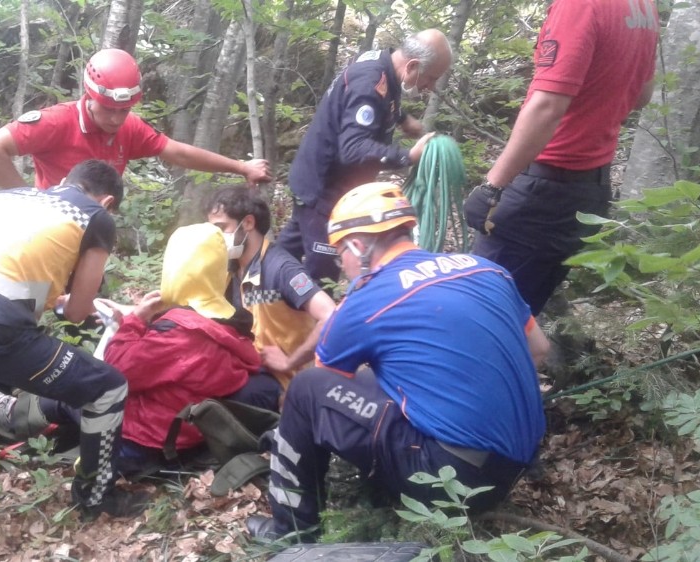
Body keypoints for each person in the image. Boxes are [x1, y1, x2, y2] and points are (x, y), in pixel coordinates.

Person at [246, 182, 550, 541]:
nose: (341, 266)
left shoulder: (365, 300)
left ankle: (291, 534)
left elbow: (324, 393)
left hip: (451, 480)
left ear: (358, 246)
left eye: (339, 252)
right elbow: (539, 348)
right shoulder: (484, 269)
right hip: (516, 462)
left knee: (305, 389)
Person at [0, 159, 147, 519]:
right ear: (107, 203)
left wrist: (57, 303)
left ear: (64, 180)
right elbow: (77, 313)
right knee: (107, 388)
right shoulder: (96, 217)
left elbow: (9, 277)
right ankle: (95, 499)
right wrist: (87, 306)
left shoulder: (10, 196)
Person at [0, 223, 265, 473]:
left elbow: (114, 374)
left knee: (81, 382)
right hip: (181, 428)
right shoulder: (231, 322)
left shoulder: (180, 335)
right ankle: (26, 413)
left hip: (145, 439)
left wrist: (135, 321)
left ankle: (13, 414)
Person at [463, 0, 659, 316]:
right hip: (587, 191)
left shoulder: (579, 5)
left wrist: (493, 186)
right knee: (520, 314)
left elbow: (547, 106)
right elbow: (642, 95)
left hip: (542, 191)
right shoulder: (643, 6)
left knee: (479, 313)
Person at [277, 29, 453, 284]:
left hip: (314, 182)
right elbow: (353, 148)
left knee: (282, 256)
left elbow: (377, 102)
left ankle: (254, 301)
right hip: (324, 192)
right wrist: (408, 156)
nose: (431, 86)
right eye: (431, 77)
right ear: (413, 65)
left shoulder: (383, 66)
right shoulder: (369, 83)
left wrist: (402, 118)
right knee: (320, 280)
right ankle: (303, 318)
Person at [0, 48, 272, 190]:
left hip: (94, 228)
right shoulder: (56, 122)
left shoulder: (130, 128)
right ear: (89, 96)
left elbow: (178, 152)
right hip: (49, 229)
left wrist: (241, 167)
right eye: (108, 108)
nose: (116, 119)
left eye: (124, 110)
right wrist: (28, 201)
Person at [205, 186, 336, 409]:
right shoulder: (229, 269)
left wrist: (290, 361)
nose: (217, 236)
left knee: (228, 398)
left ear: (247, 223)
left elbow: (331, 315)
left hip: (284, 381)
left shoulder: (281, 268)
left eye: (221, 227)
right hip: (251, 368)